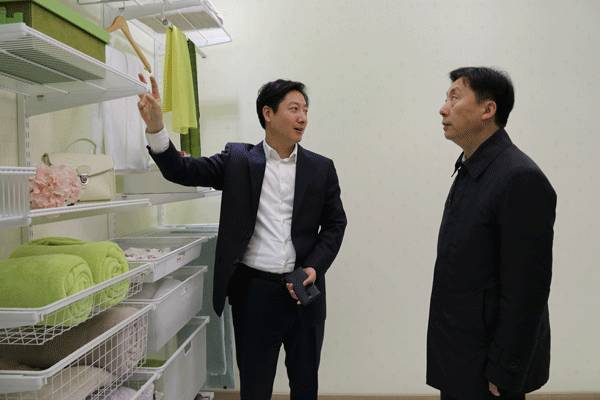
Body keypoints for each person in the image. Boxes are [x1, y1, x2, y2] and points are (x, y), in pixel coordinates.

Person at [137, 75, 347, 400]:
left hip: (304, 291)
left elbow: (335, 224)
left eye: (305, 110)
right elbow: (183, 170)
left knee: (306, 385)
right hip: (254, 294)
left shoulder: (321, 168)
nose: (303, 117)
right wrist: (156, 128)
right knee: (254, 387)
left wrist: (313, 268)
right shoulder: (238, 160)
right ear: (268, 113)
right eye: (294, 109)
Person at [426, 67, 557, 400]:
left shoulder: (519, 178)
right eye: (446, 98)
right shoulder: (472, 169)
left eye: (455, 97)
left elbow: (527, 288)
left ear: (488, 109)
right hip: (461, 356)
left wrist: (505, 368)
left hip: (489, 369)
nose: (443, 109)